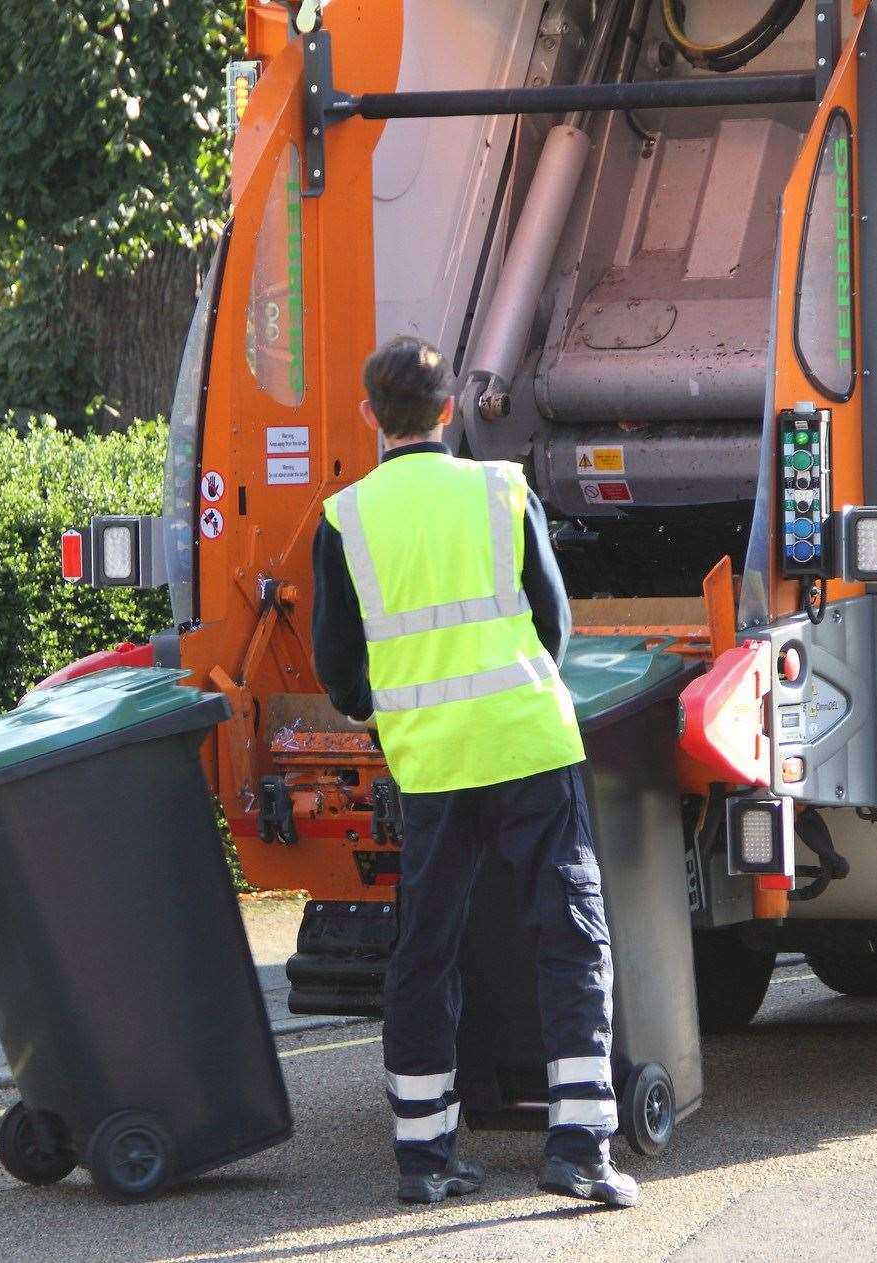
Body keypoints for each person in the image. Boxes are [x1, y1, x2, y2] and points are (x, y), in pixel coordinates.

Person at [313, 336, 638, 1209]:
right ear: (449, 410)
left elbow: (339, 668)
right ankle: (580, 1146)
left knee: (425, 950)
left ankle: (424, 1156)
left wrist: (390, 710)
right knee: (571, 936)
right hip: (528, 744)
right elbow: (554, 623)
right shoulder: (500, 489)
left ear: (369, 417)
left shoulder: (344, 517)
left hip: (429, 762)